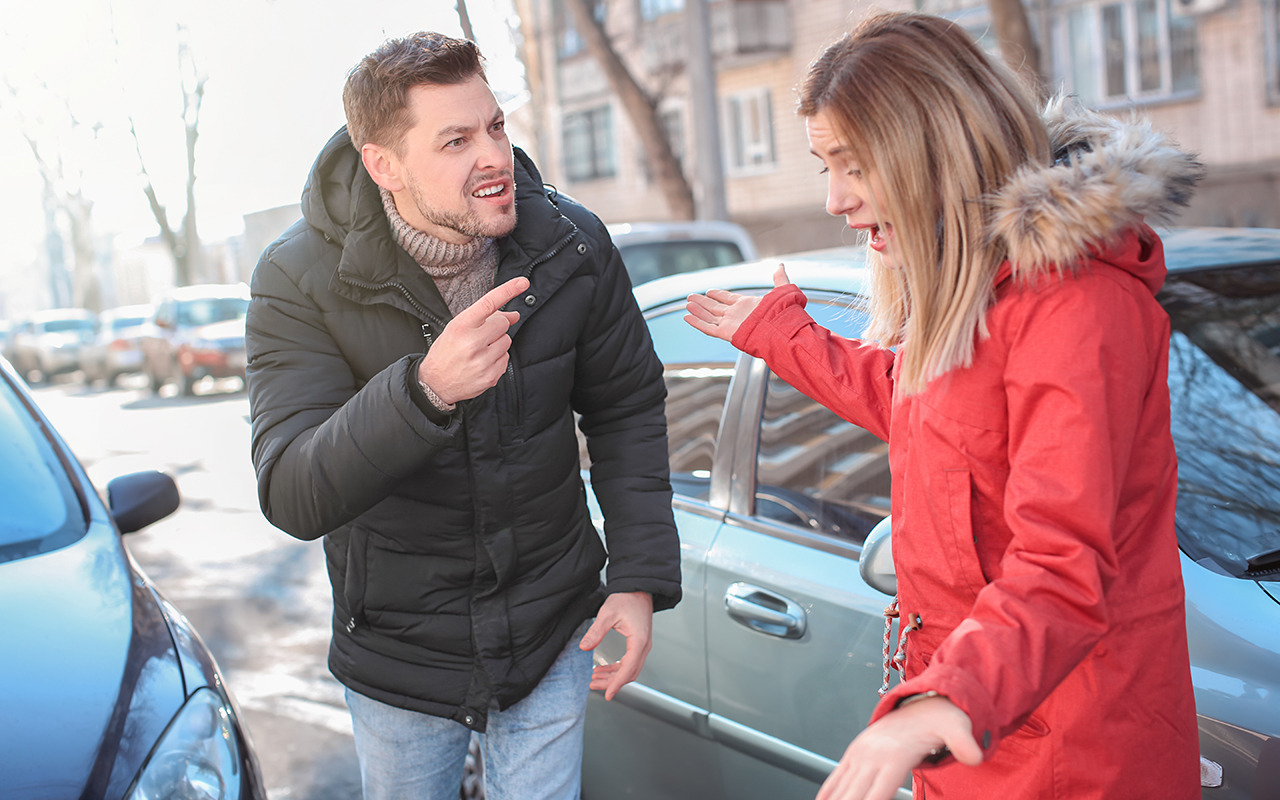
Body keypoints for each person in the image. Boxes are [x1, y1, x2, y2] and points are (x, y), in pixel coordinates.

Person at [685, 12, 1203, 800]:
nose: (834, 200)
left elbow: (1062, 563)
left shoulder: (1075, 308)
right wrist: (780, 336)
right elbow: (921, 409)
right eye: (825, 166)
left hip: (1066, 756)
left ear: (933, 149)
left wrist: (938, 701)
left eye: (851, 165)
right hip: (975, 735)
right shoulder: (982, 297)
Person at [245, 32, 681, 800]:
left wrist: (639, 575)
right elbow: (291, 489)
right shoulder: (296, 278)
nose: (493, 156)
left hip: (553, 627)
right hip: (399, 652)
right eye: (455, 140)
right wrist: (424, 393)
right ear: (385, 165)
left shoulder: (571, 243)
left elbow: (627, 407)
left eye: (496, 127)